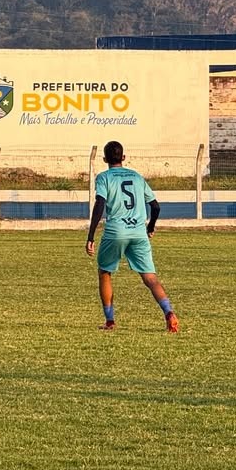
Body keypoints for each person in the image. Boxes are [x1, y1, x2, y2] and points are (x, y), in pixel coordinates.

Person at [85, 140, 179, 332]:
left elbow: (100, 204)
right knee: (150, 278)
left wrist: (91, 236)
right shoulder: (137, 177)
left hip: (116, 231)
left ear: (104, 159)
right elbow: (156, 206)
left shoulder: (103, 178)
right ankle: (169, 312)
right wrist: (150, 227)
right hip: (138, 232)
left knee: (105, 272)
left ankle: (110, 321)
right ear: (124, 157)